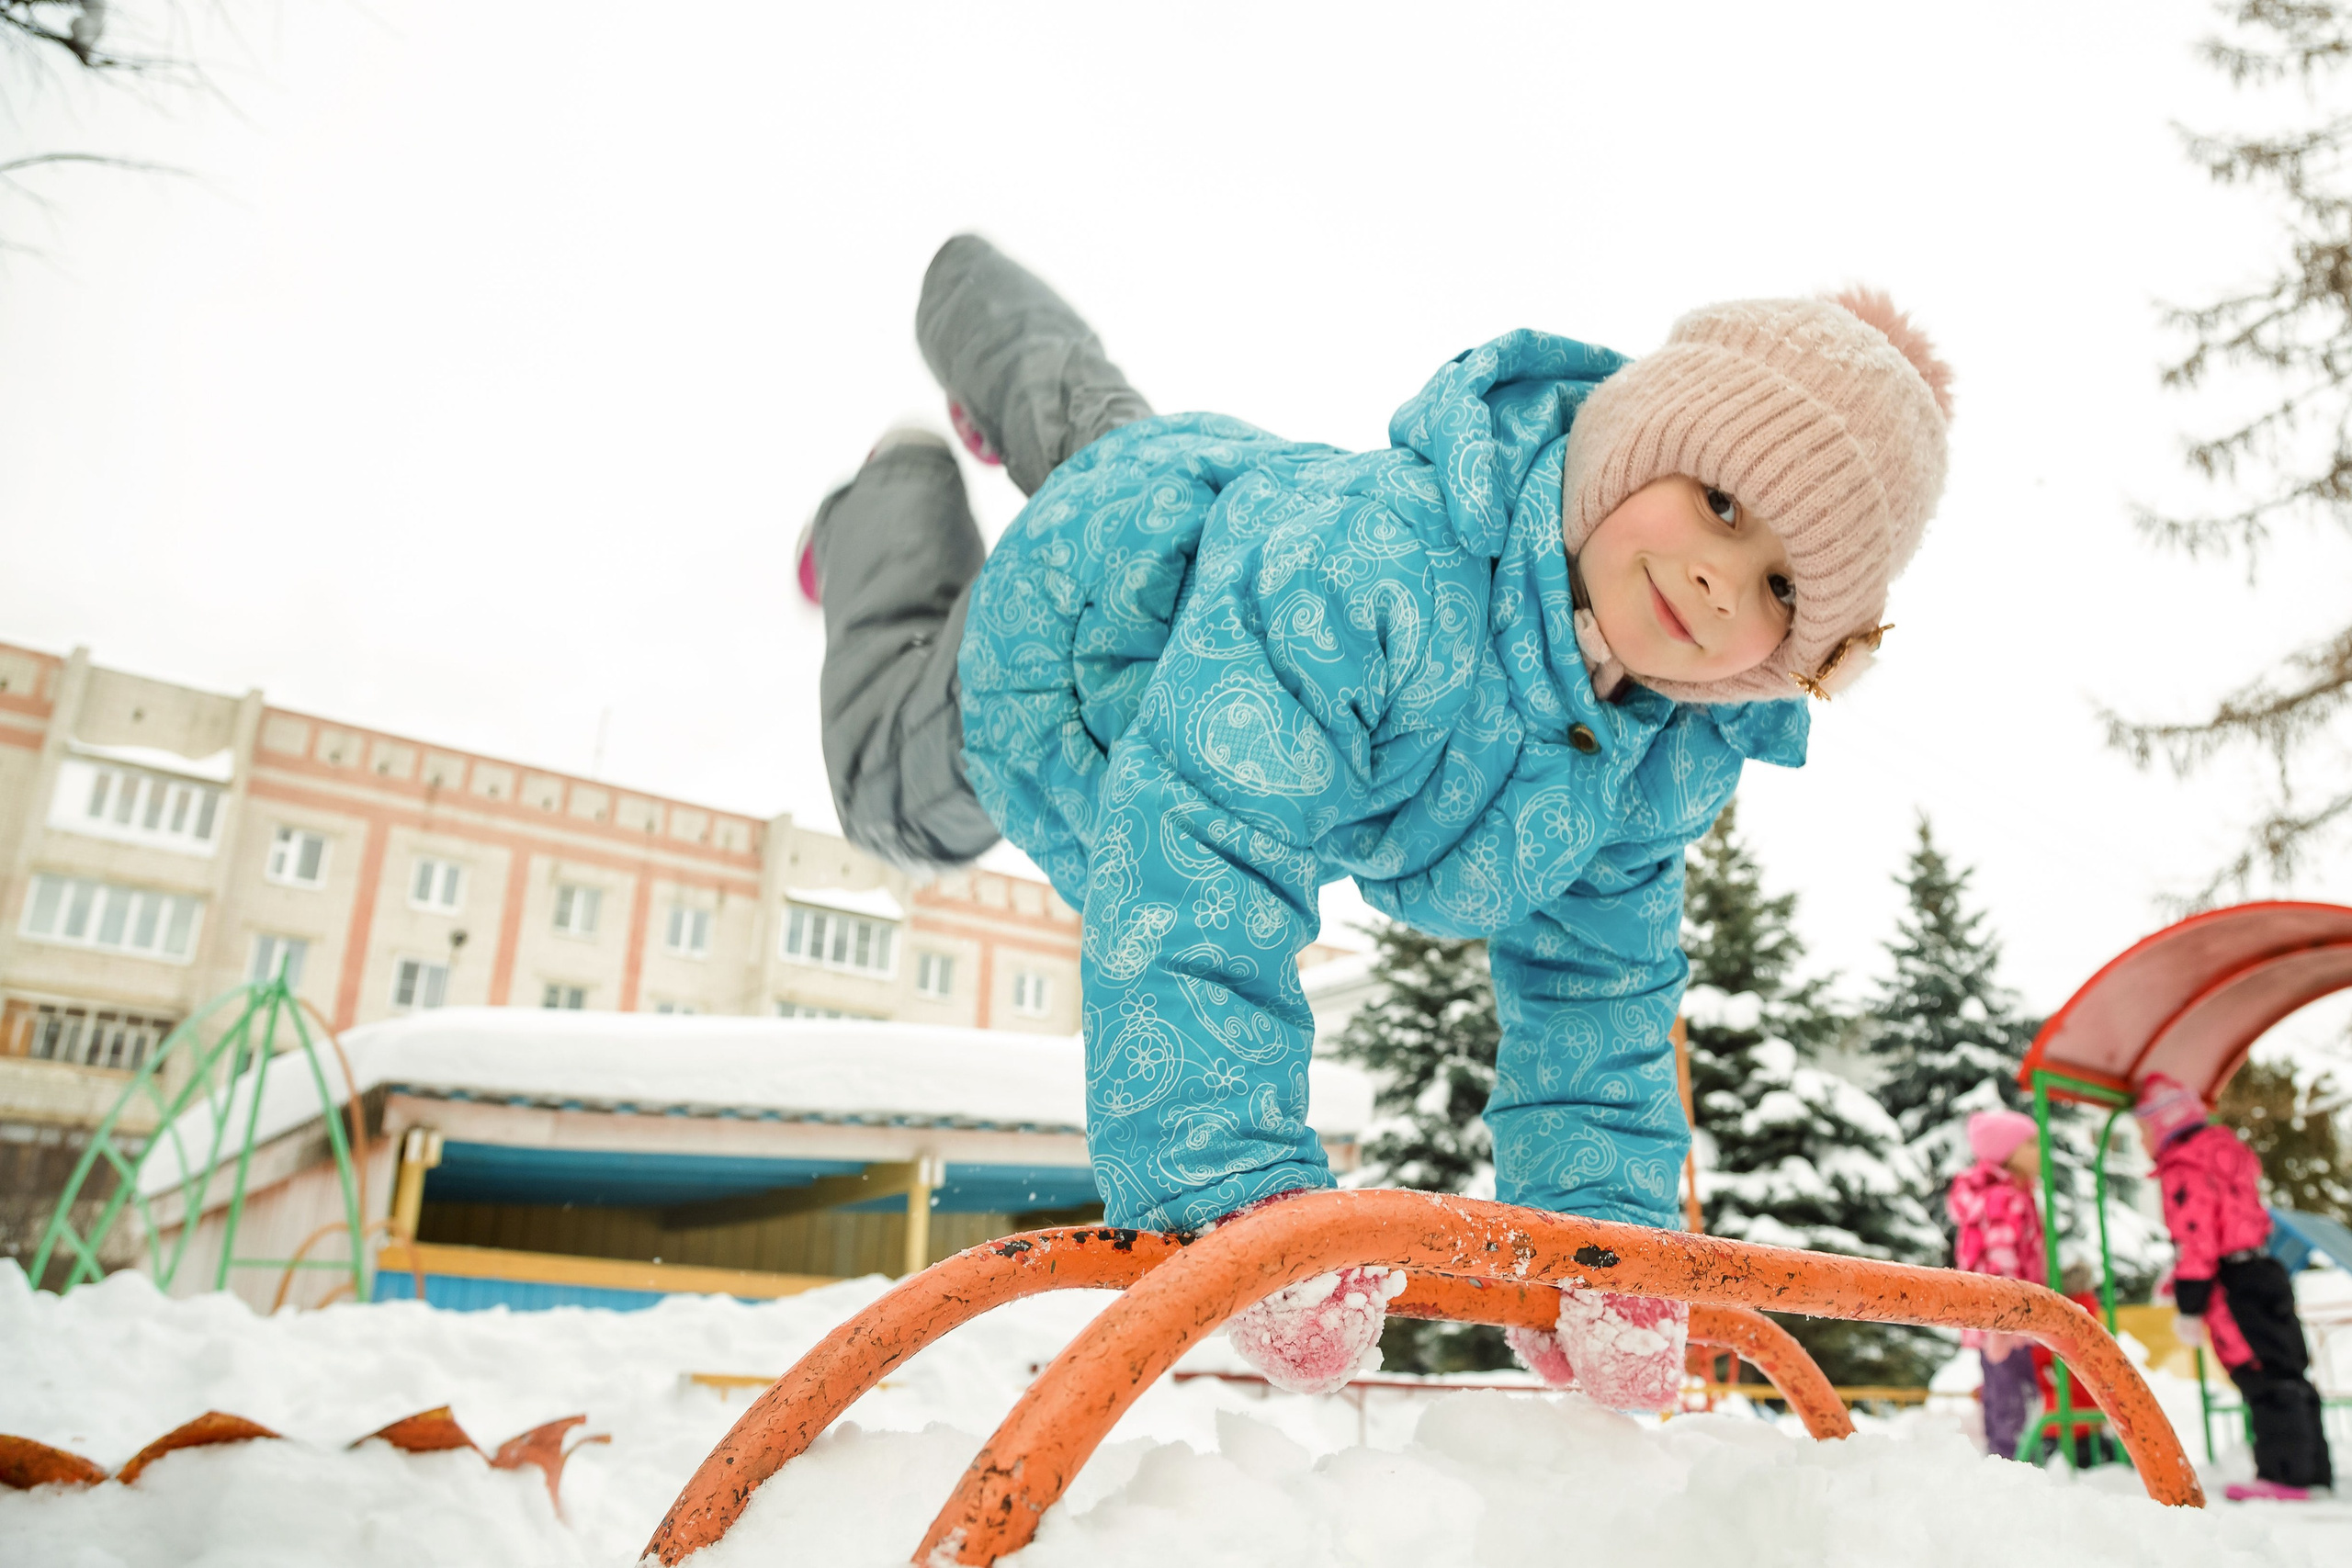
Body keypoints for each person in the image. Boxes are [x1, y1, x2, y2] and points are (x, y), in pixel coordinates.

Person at [802, 234, 1952, 1399]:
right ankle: (888, 505)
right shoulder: (1385, 568)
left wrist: (1603, 1248)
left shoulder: (1660, 755)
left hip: (1202, 497)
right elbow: (1204, 844)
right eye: (1716, 499)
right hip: (1072, 653)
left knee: (1093, 423)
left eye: (1781, 588)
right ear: (1627, 441)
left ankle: (984, 313)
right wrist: (1233, 1185)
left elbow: (1597, 990)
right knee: (893, 797)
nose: (1718, 578)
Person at [2136, 1073, 2335, 1500]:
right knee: (2289, 1368)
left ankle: (2285, 1475)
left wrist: (2190, 1304)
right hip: (2266, 1267)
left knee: (2261, 1373)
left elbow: (2197, 1237)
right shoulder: (2226, 1154)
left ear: (2161, 1123)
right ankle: (2313, 1469)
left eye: (2142, 1129)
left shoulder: (2185, 1166)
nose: (2142, 1140)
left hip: (2233, 1283)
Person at [1946, 1108, 2048, 1461]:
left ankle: (2010, 1461)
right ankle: (2012, 1466)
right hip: (2006, 1324)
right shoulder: (2004, 1199)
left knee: (2005, 1392)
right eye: (2031, 1143)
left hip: (2007, 1322)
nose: (2040, 1150)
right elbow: (2000, 1264)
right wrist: (2004, 1324)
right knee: (2013, 1398)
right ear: (2007, 1152)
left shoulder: (2012, 1194)